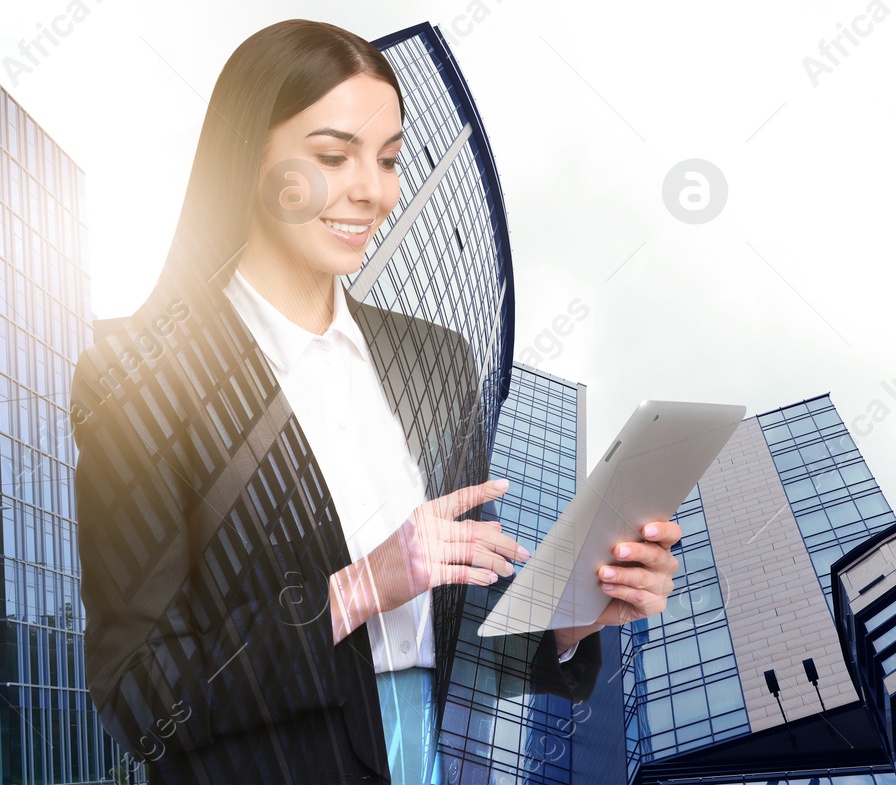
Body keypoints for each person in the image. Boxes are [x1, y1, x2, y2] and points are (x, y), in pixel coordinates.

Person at [69, 19, 682, 785]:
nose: (372, 190)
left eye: (389, 159)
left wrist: (575, 616)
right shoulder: (140, 376)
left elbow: (457, 632)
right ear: (247, 157)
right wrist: (357, 588)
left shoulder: (435, 362)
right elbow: (138, 691)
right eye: (333, 156)